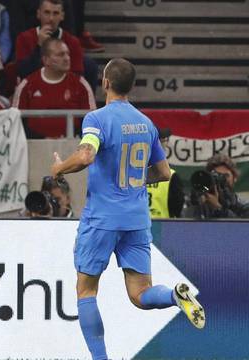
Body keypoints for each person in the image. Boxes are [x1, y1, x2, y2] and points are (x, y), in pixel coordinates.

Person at [50, 58, 205, 360]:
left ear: (105, 83)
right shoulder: (146, 124)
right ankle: (174, 296)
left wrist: (58, 168)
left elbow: (85, 156)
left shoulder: (97, 119)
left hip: (102, 218)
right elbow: (163, 172)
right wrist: (134, 181)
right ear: (131, 86)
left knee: (86, 291)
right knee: (140, 294)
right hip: (136, 220)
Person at [13, 38, 95, 138]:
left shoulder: (81, 84)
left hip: (72, 146)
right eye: (60, 55)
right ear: (46, 60)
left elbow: (92, 123)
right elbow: (15, 122)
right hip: (33, 147)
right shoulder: (27, 85)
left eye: (67, 54)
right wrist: (40, 139)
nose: (67, 58)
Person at [14, 0, 98, 92]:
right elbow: (23, 72)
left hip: (64, 91)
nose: (51, 18)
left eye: (55, 13)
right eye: (47, 12)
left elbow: (77, 76)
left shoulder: (72, 41)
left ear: (62, 16)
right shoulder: (24, 38)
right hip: (34, 91)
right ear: (38, 14)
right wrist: (39, 46)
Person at [184, 154, 249, 219]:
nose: (221, 179)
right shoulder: (201, 203)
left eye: (226, 176)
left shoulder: (244, 207)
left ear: (234, 178)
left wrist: (218, 208)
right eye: (216, 175)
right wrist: (196, 202)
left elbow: (239, 227)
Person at [146, 128, 184, 218]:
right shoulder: (172, 176)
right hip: (163, 226)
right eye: (164, 141)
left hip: (137, 224)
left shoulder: (132, 173)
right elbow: (177, 207)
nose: (166, 144)